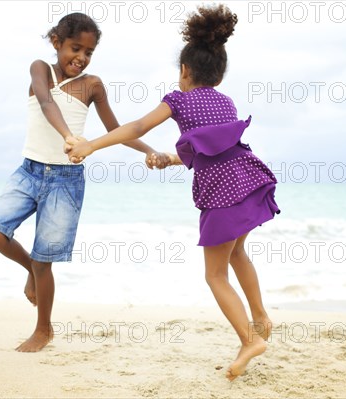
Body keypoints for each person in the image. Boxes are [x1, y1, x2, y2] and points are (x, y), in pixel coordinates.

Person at [65, 4, 280, 380]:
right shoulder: (224, 102)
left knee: (215, 276)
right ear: (218, 74)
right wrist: (168, 158)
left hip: (222, 195)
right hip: (249, 181)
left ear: (184, 71)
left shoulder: (178, 99)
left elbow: (136, 126)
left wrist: (91, 146)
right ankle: (260, 315)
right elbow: (213, 151)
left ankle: (250, 340)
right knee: (238, 253)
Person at [0, 13, 167, 353]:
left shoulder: (93, 85)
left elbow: (117, 130)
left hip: (65, 182)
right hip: (29, 172)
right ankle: (31, 270)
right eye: (75, 48)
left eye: (88, 52)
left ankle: (43, 329)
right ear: (57, 42)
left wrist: (150, 150)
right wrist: (69, 135)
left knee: (45, 260)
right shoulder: (40, 68)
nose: (80, 57)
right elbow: (45, 101)